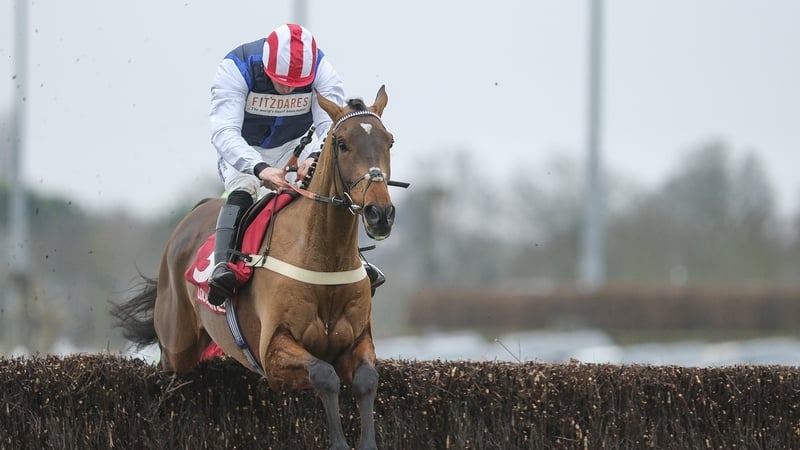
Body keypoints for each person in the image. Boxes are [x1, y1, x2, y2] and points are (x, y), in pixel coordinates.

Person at [207, 23, 385, 306]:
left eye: (296, 83)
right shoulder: (235, 67)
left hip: (296, 145)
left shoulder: (321, 68)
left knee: (329, 184)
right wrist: (260, 168)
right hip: (246, 146)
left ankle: (356, 258)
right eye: (281, 81)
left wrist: (314, 157)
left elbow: (331, 125)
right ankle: (222, 267)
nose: (288, 88)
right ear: (265, 66)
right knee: (244, 187)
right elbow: (224, 131)